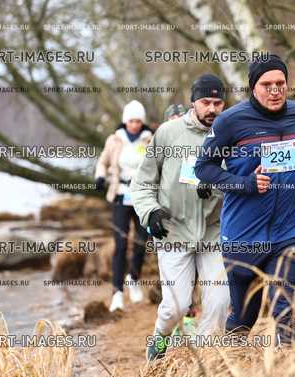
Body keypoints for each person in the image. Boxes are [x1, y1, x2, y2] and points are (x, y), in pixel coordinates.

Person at [195, 54, 295, 345]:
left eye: (281, 83)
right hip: (243, 234)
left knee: (287, 310)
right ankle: (230, 359)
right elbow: (203, 168)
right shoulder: (231, 121)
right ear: (253, 87)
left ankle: (287, 368)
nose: (275, 90)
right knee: (244, 317)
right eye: (267, 85)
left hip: (287, 231)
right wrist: (245, 183)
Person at [131, 74, 230, 361]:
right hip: (173, 231)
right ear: (193, 102)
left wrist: (216, 185)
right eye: (205, 102)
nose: (212, 109)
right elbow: (142, 183)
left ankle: (204, 361)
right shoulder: (168, 133)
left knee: (219, 303)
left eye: (218, 103)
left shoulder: (230, 134)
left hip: (213, 232)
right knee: (176, 307)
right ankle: (159, 339)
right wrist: (150, 212)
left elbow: (239, 181)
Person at [95, 100, 153, 312]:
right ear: (125, 121)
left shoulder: (150, 140)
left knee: (141, 242)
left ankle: (133, 279)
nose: (135, 125)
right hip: (120, 194)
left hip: (142, 195)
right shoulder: (114, 140)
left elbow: (157, 166)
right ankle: (117, 293)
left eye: (138, 121)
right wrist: (100, 176)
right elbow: (103, 162)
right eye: (131, 121)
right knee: (120, 245)